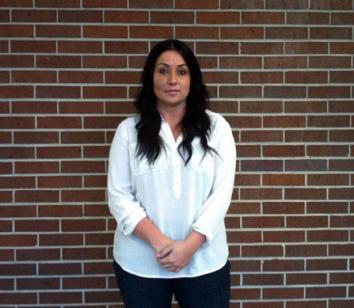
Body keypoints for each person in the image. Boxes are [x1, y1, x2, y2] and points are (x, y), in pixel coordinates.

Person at [107, 39, 236, 308]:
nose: (172, 80)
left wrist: (189, 246)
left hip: (204, 262)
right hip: (141, 263)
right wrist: (163, 244)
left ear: (193, 79)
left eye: (182, 71)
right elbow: (119, 196)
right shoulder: (129, 131)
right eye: (163, 70)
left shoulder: (217, 128)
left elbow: (221, 195)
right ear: (151, 77)